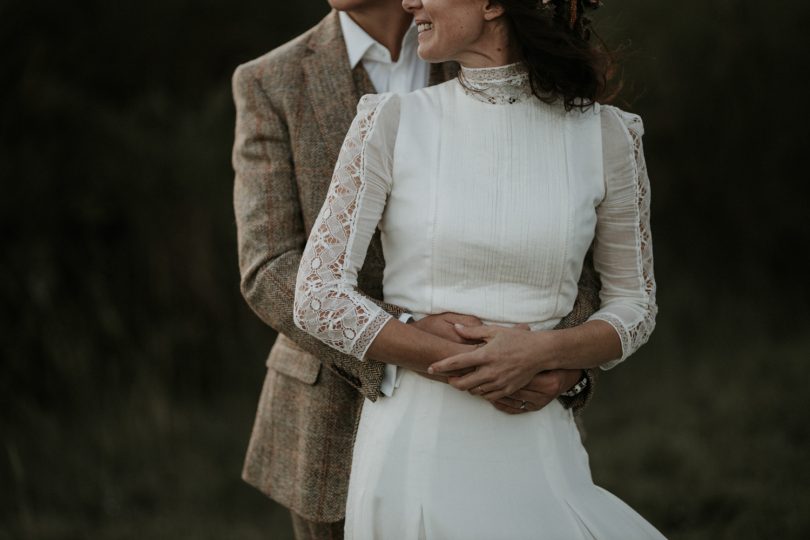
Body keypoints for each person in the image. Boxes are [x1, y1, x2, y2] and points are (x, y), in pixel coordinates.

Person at [292, 0, 664, 537]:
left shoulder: (610, 136)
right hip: (414, 446)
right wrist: (471, 360)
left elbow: (636, 304)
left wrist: (546, 354)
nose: (409, 1)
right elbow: (316, 295)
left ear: (493, 4)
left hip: (539, 442)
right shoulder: (390, 121)